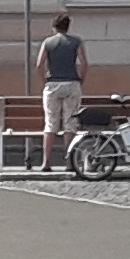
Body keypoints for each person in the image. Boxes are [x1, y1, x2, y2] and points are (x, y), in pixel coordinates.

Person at [38, 14, 86, 165]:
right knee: (70, 123)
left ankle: (46, 162)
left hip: (52, 84)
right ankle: (69, 163)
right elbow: (84, 62)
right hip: (72, 83)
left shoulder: (48, 42)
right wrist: (81, 79)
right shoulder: (76, 41)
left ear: (54, 27)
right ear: (68, 26)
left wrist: (45, 80)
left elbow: (39, 64)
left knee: (50, 123)